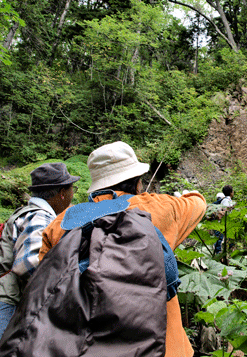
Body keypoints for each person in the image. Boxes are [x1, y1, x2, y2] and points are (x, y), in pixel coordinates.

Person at [38, 141, 207, 357]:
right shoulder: (162, 208)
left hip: (87, 347)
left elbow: (44, 281)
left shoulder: (61, 224)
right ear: (137, 181)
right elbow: (198, 203)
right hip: (165, 347)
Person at [0, 162, 79, 337]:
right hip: (7, 303)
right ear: (62, 193)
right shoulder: (40, 217)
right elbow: (28, 264)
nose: (73, 194)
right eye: (72, 188)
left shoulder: (29, 212)